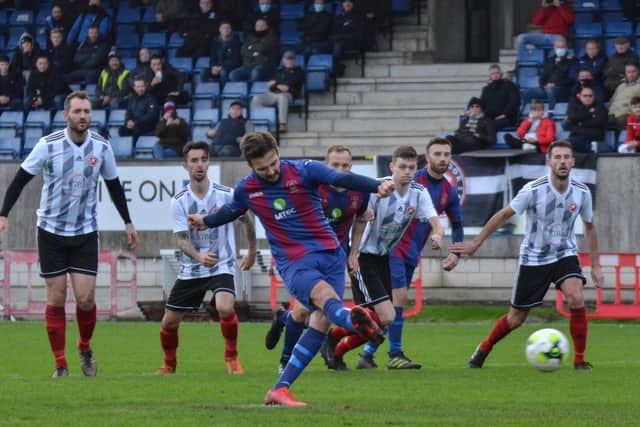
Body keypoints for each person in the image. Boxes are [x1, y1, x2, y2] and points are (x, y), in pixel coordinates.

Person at [188, 132, 393, 406]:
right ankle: (352, 320)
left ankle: (280, 389)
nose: (271, 171)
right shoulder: (247, 189)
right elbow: (232, 211)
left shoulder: (303, 169)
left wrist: (374, 186)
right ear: (251, 166)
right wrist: (207, 221)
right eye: (262, 168)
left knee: (320, 321)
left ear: (277, 152)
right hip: (295, 261)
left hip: (331, 253)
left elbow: (339, 179)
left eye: (273, 163)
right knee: (323, 298)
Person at [0, 91, 138, 378]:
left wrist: (128, 221)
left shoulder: (101, 146)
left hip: (85, 232)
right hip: (50, 231)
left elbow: (113, 185)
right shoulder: (48, 145)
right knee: (57, 297)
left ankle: (84, 347)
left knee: (86, 299)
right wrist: (3, 213)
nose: (83, 116)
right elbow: (20, 179)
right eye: (77, 111)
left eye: (87, 111)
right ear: (66, 116)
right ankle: (60, 363)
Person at [452, 140, 604, 371]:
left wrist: (596, 266)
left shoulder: (582, 192)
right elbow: (504, 214)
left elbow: (590, 227)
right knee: (516, 319)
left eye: (566, 157)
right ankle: (484, 347)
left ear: (573, 161)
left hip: (565, 254)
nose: (562, 162)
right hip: (534, 258)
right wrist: (475, 243)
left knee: (576, 297)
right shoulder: (534, 189)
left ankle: (580, 359)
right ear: (549, 161)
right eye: (557, 158)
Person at [323, 139, 462, 371]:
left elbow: (436, 221)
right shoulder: (377, 189)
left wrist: (438, 235)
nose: (407, 172)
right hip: (363, 258)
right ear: (392, 168)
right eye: (402, 167)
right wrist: (353, 254)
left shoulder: (418, 193)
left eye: (411, 168)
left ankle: (336, 346)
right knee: (385, 316)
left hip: (383, 259)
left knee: (374, 320)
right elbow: (359, 220)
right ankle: (334, 342)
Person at [264, 144, 372, 372]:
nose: (340, 170)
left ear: (351, 167)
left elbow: (362, 218)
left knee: (315, 312)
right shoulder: (313, 185)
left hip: (335, 255)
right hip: (305, 254)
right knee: (306, 310)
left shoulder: (358, 190)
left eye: (345, 165)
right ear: (326, 165)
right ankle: (285, 360)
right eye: (335, 165)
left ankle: (283, 320)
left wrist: (353, 253)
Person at [157, 140, 257, 375]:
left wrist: (251, 251)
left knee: (224, 307)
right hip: (192, 268)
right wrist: (198, 256)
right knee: (169, 322)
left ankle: (231, 358)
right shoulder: (179, 201)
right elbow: (181, 239)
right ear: (185, 165)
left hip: (222, 264)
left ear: (209, 162)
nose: (199, 165)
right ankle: (169, 364)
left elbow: (247, 219)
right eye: (194, 161)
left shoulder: (226, 195)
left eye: (203, 159)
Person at [251, 51, 305, 133]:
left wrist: (276, 83)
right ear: (283, 60)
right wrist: (276, 85)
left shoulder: (298, 71)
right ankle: (262, 122)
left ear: (294, 60)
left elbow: (289, 85)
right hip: (274, 93)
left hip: (289, 95)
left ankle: (282, 124)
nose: (289, 61)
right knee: (256, 99)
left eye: (291, 59)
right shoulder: (279, 71)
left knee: (282, 97)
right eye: (287, 59)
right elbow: (271, 84)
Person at [526, 36, 575, 111]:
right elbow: (543, 77)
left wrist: (555, 84)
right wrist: (544, 86)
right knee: (527, 92)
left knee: (551, 90)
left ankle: (550, 112)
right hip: (547, 88)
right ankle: (526, 113)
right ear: (554, 48)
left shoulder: (572, 60)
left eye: (562, 47)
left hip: (563, 89)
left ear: (566, 48)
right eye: (558, 47)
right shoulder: (550, 60)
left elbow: (571, 79)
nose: (560, 49)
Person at [565, 86, 608, 153]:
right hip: (576, 137)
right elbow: (572, 117)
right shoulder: (575, 106)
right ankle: (590, 148)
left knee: (567, 145)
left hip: (593, 138)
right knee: (564, 145)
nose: (588, 98)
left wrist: (580, 122)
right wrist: (590, 114)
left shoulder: (600, 107)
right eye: (585, 96)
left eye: (590, 96)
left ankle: (590, 148)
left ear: (594, 97)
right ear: (580, 97)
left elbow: (599, 121)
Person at [480, 64, 522, 131]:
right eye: (492, 74)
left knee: (489, 125)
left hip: (506, 118)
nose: (495, 75)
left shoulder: (509, 85)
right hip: (489, 118)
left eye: (497, 73)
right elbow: (481, 104)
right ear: (489, 76)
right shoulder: (486, 89)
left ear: (501, 74)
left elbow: (515, 101)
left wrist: (505, 114)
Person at [608, 62, 640, 130]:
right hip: (613, 114)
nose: (631, 74)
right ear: (626, 73)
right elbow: (612, 101)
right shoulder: (621, 86)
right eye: (628, 72)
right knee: (597, 120)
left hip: (627, 113)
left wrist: (633, 112)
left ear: (638, 72)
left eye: (633, 72)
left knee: (622, 120)